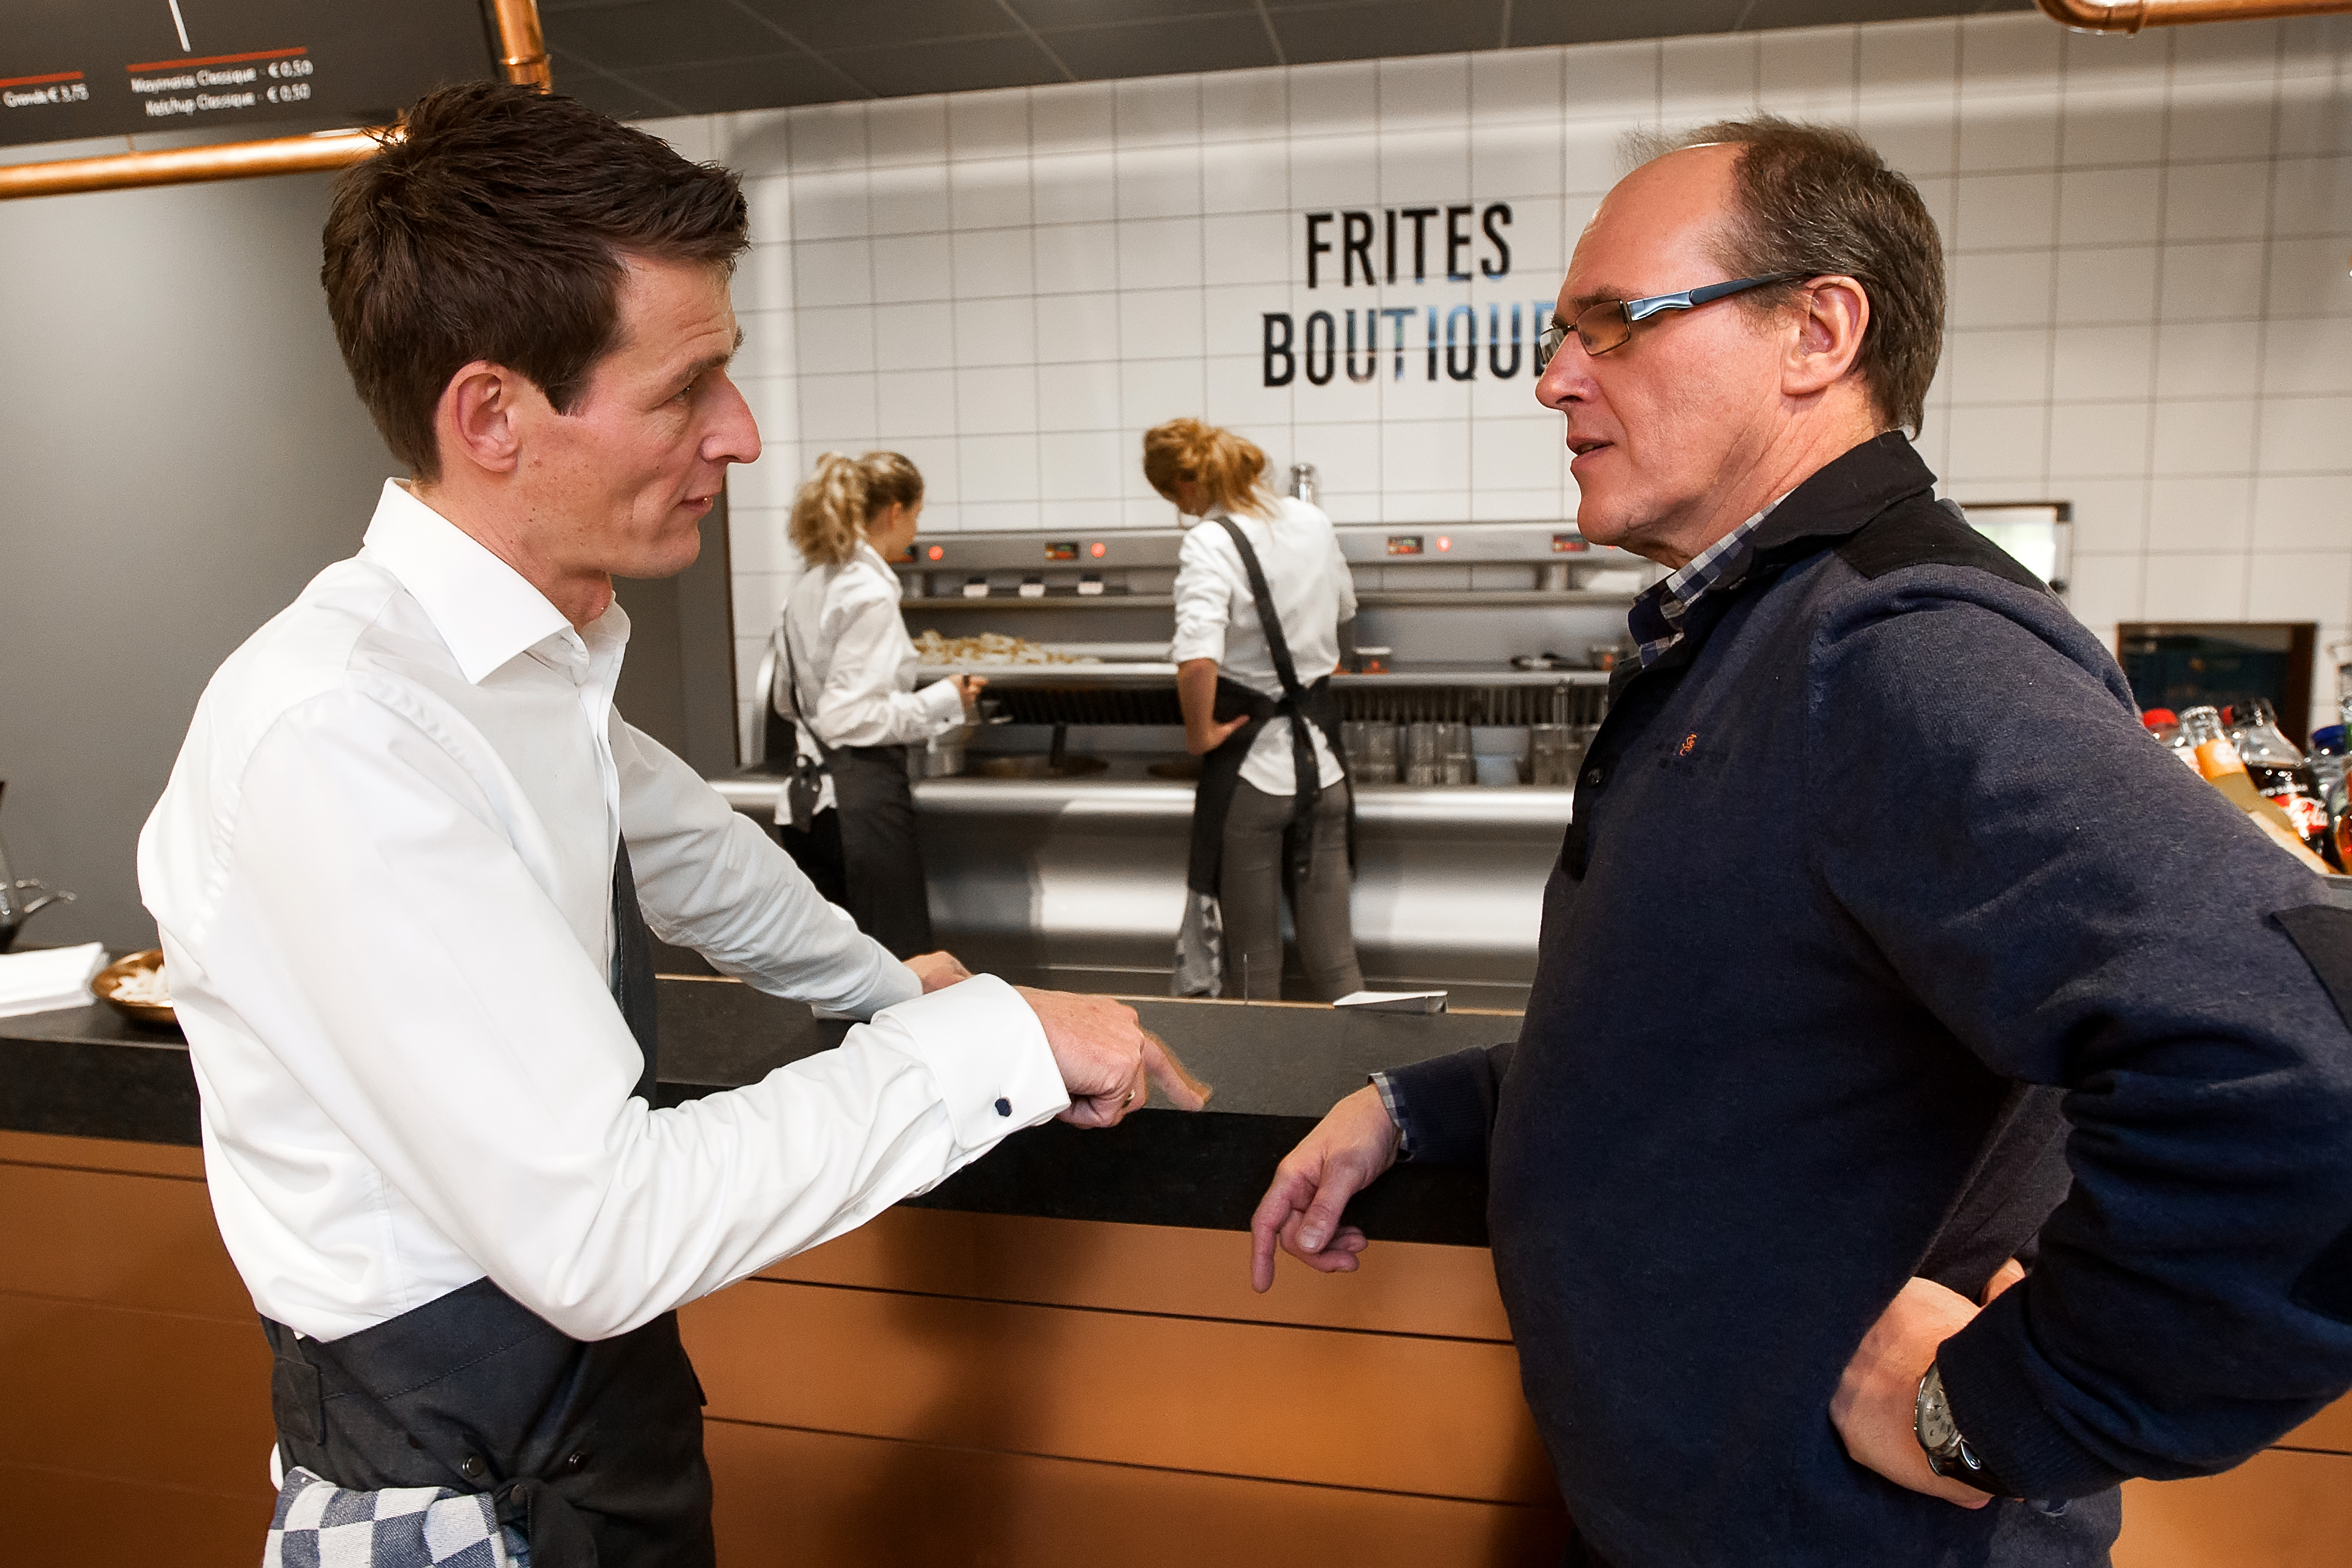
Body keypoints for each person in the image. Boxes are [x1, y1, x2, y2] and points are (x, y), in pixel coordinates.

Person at [1246, 117, 2352, 1566]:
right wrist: (1423, 1105)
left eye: (1611, 322)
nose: (1554, 376)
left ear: (1818, 333)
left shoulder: (1901, 649)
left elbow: (2309, 1074)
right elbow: (1732, 1034)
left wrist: (1998, 1408)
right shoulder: (1752, 631)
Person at [137, 82, 1200, 1568]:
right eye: (687, 387)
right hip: (453, 1505)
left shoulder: (526, 672)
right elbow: (600, 1231)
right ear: (491, 416)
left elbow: (691, 850)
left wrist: (883, 987)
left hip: (601, 1452)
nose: (743, 435)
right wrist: (995, 1041)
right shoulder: (343, 732)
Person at [1148, 417, 1364, 1002]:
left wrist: (1200, 734)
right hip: (1323, 766)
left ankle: (1257, 1067)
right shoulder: (1312, 521)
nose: (1179, 508)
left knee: (1253, 967)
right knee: (1336, 963)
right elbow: (1346, 610)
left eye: (1171, 495)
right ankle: (1364, 1061)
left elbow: (1197, 659)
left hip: (1253, 776)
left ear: (1186, 484)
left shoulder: (1209, 541)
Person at [770, 450, 978, 958]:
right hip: (860, 809)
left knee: (832, 969)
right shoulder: (870, 591)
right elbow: (846, 718)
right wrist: (944, 699)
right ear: (895, 511)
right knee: (898, 967)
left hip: (808, 806)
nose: (915, 529)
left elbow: (785, 700)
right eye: (917, 515)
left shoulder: (810, 583)